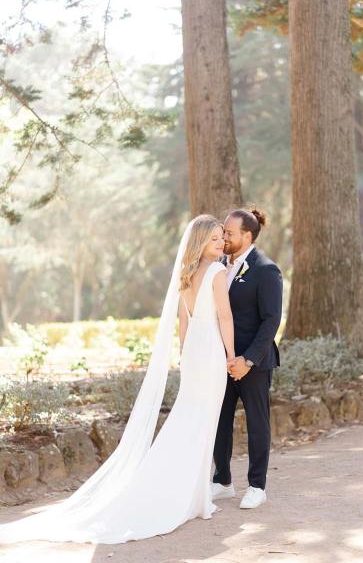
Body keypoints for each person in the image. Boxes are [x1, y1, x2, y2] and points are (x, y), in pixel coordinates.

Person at [0, 215, 234, 545]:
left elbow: (184, 321)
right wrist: (231, 354)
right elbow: (224, 316)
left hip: (195, 350)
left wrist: (186, 354)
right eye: (214, 239)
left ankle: (196, 496)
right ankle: (193, 498)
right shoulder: (217, 272)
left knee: (189, 417)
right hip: (210, 348)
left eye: (221, 237)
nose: (221, 243)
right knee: (203, 420)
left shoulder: (185, 274)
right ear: (199, 242)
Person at [212, 208, 283, 509]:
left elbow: (271, 321)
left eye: (229, 233)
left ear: (247, 235)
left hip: (254, 362)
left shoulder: (266, 270)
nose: (224, 237)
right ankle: (222, 480)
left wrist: (247, 360)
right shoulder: (217, 266)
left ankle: (257, 485)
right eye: (224, 232)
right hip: (221, 361)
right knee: (220, 420)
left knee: (257, 423)